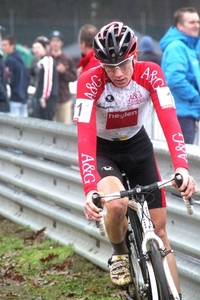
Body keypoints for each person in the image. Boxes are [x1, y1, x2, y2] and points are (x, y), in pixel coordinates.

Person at [73, 22, 197, 299]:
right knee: (115, 204)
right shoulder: (89, 82)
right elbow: (84, 137)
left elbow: (169, 120)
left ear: (135, 56)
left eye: (124, 64)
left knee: (161, 233)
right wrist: (90, 189)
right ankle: (119, 255)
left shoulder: (151, 73)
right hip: (103, 149)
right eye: (109, 66)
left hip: (138, 145)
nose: (117, 73)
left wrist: (182, 167)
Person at [160, 7, 200, 144]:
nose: (197, 26)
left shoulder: (191, 47)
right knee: (184, 158)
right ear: (180, 26)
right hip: (181, 113)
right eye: (191, 22)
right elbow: (175, 79)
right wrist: (196, 98)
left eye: (198, 22)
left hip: (188, 112)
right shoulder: (177, 47)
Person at [49, 30, 77, 124]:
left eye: (57, 40)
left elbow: (73, 77)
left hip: (64, 97)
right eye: (53, 40)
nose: (55, 43)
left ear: (62, 43)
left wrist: (64, 72)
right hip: (50, 99)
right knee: (51, 125)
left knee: (66, 126)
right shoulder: (47, 58)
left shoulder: (67, 59)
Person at [2, 35, 29, 116]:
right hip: (23, 97)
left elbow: (8, 79)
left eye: (5, 45)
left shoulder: (10, 60)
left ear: (12, 45)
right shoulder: (21, 58)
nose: (3, 47)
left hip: (14, 97)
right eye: (2, 45)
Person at [33, 36, 58, 120]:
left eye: (38, 47)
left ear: (45, 48)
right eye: (34, 47)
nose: (35, 50)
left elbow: (48, 81)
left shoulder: (47, 60)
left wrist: (43, 98)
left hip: (46, 100)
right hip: (40, 97)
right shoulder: (40, 60)